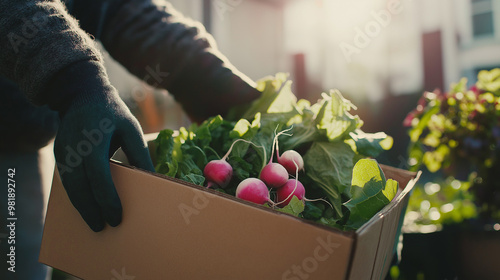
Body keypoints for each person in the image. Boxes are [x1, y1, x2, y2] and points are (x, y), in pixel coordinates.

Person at [0, 0, 260, 279]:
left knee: (19, 264)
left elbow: (112, 6)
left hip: (17, 141)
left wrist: (194, 67)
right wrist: (74, 82)